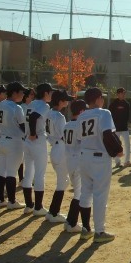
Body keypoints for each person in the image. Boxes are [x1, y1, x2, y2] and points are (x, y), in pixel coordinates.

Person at [76, 87, 123, 243]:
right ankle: (99, 231)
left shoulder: (81, 116)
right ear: (97, 99)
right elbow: (107, 134)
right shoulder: (103, 113)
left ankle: (85, 229)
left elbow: (79, 138)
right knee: (100, 195)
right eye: (101, 97)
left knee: (85, 193)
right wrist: (118, 150)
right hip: (99, 158)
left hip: (84, 157)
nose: (103, 100)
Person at [22, 83, 53, 216]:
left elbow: (30, 117)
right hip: (37, 140)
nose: (51, 95)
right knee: (40, 174)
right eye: (50, 92)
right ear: (45, 93)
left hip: (27, 141)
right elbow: (34, 117)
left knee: (28, 173)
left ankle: (29, 205)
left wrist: (30, 134)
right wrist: (33, 133)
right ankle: (38, 207)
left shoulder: (31, 103)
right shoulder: (44, 105)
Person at [0, 81, 27, 209]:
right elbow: (23, 127)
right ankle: (12, 202)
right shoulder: (16, 108)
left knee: (1, 171)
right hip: (14, 142)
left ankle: (0, 199)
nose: (23, 94)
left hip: (2, 140)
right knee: (11, 172)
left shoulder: (1, 104)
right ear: (14, 93)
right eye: (21, 92)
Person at [45, 89, 75, 223]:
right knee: (62, 182)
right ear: (60, 101)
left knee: (64, 181)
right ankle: (53, 213)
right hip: (61, 148)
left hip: (54, 148)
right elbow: (65, 136)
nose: (67, 102)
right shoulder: (59, 116)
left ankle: (52, 212)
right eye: (65, 100)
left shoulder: (49, 113)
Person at [62, 99, 87, 234]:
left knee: (78, 192)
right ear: (82, 111)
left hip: (69, 159)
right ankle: (72, 223)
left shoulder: (67, 124)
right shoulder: (79, 125)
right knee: (79, 193)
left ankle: (69, 221)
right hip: (78, 160)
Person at [109, 87, 131, 168]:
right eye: (122, 93)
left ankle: (127, 161)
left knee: (127, 145)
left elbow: (127, 116)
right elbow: (110, 116)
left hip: (124, 128)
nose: (123, 94)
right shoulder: (113, 104)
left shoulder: (126, 104)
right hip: (115, 129)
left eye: (124, 93)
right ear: (118, 94)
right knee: (116, 145)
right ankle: (117, 162)